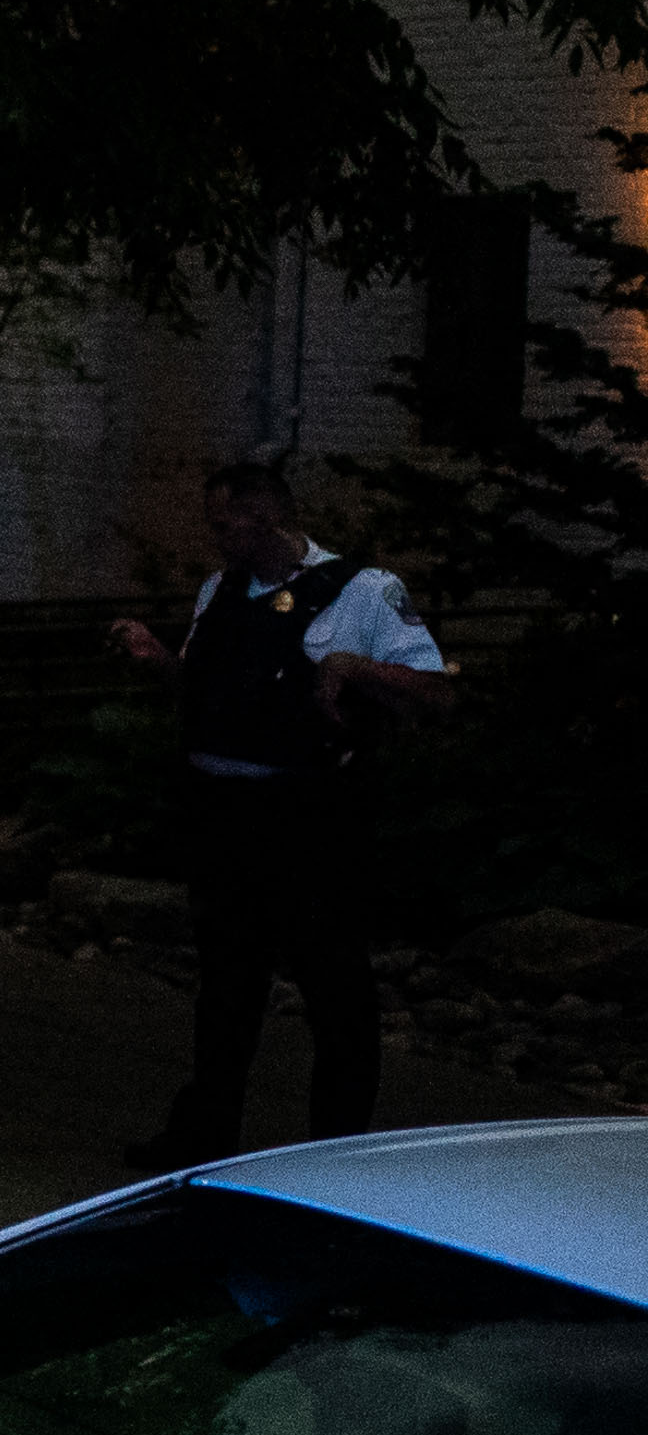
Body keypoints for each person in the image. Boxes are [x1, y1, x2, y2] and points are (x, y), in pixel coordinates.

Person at [116, 454, 454, 1165]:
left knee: (334, 985)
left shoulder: (362, 591)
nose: (216, 537)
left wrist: (355, 666)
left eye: (224, 522)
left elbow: (434, 693)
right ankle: (203, 1138)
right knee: (227, 986)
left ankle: (338, 1151)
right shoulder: (221, 589)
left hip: (308, 816)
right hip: (223, 811)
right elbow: (208, 691)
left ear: (264, 515)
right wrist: (158, 661)